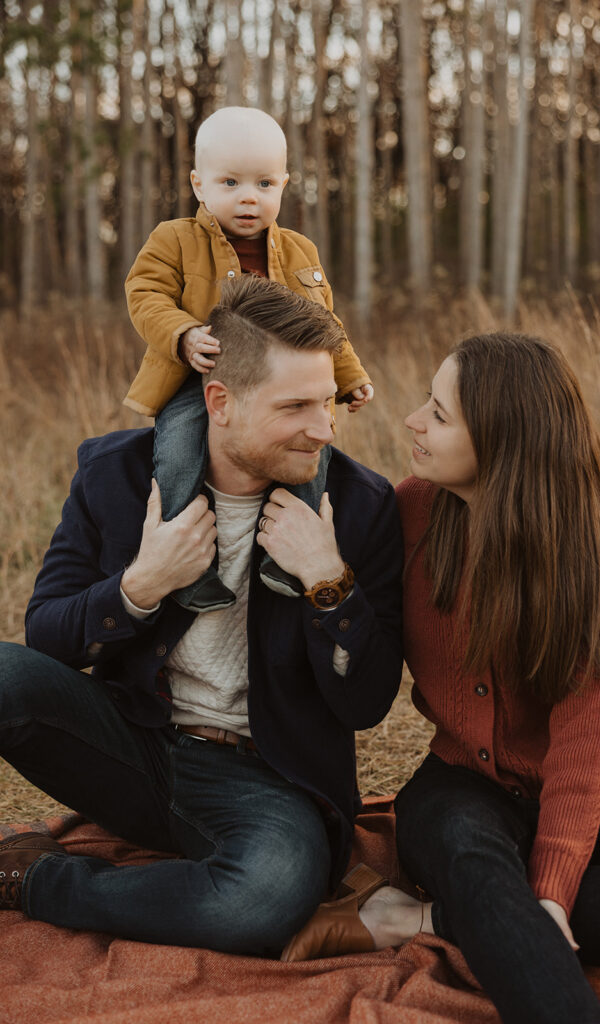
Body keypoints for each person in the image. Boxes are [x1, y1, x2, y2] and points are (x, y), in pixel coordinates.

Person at [282, 333, 600, 1024]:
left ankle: (417, 917)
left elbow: (588, 737)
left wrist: (552, 894)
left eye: (437, 414)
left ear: (501, 441)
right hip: (460, 784)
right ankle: (492, 912)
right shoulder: (405, 514)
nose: (412, 420)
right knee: (472, 859)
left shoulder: (592, 536)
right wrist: (327, 579)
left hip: (597, 793)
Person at [0, 276, 403, 957]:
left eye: (328, 401)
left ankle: (35, 879)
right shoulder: (116, 476)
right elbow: (47, 637)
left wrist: (328, 582)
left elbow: (367, 702)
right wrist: (141, 583)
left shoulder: (359, 506)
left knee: (261, 899)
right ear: (219, 401)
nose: (324, 428)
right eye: (296, 406)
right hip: (132, 746)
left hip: (267, 781)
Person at [125, 106, 373, 612]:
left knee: (314, 450)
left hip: (278, 388)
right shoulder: (174, 239)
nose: (248, 197)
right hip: (195, 379)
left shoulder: (300, 251)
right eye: (231, 182)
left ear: (283, 185)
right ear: (199, 185)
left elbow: (324, 324)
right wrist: (183, 333)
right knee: (176, 452)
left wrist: (349, 377)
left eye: (264, 184)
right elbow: (144, 293)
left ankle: (285, 559)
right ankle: (188, 564)